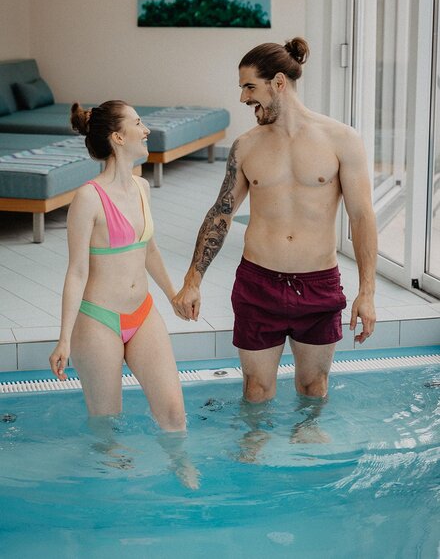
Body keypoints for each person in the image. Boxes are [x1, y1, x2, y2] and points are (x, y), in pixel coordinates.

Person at [173, 37, 377, 406]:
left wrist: (367, 292)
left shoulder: (342, 140)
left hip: (318, 284)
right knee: (256, 390)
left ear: (279, 82)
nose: (243, 98)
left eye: (250, 87)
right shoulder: (246, 146)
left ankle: (307, 442)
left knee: (314, 387)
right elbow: (221, 213)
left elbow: (361, 217)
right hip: (258, 284)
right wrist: (192, 281)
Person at [49, 101, 186, 433]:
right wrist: (64, 339)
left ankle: (183, 464)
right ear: (118, 137)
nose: (146, 130)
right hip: (99, 319)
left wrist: (173, 295)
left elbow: (149, 250)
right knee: (107, 429)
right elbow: (77, 271)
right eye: (138, 123)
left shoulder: (142, 187)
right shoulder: (88, 198)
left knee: (174, 416)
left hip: (143, 313)